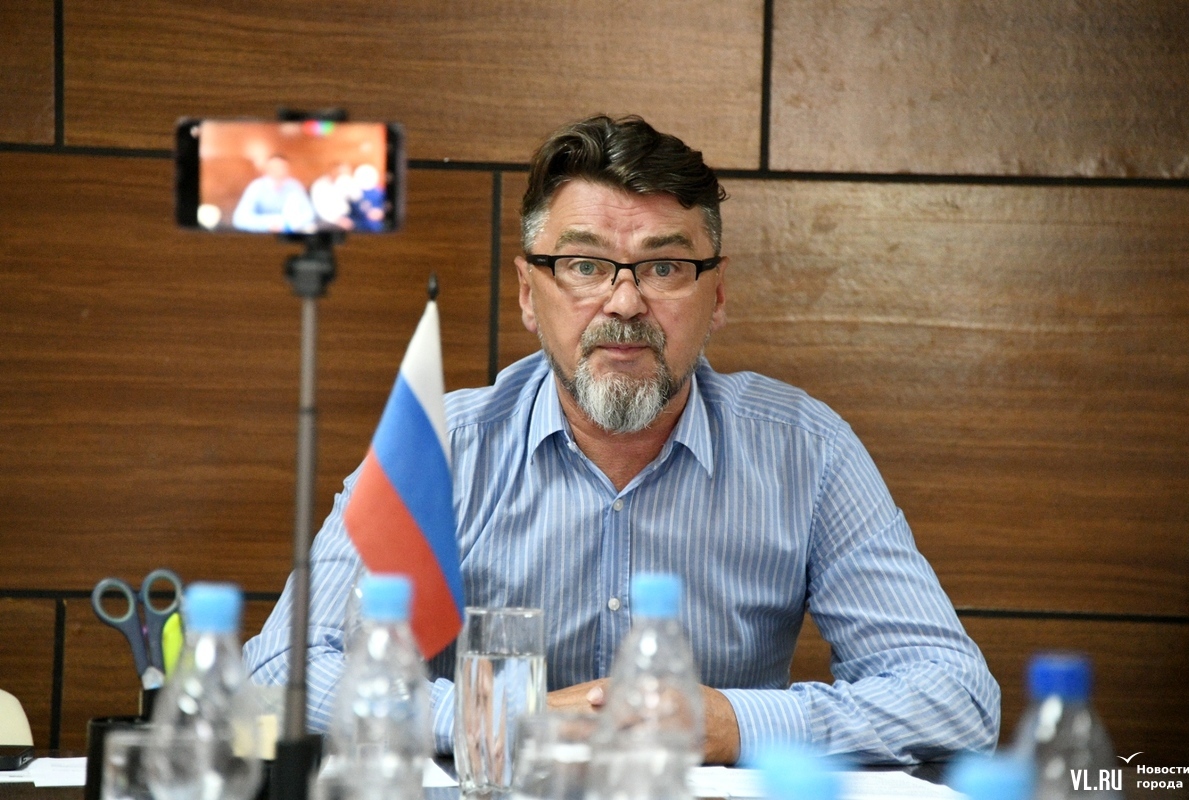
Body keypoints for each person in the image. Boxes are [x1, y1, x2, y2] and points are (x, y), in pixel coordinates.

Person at [243, 115, 1000, 765]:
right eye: (584, 265)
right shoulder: (443, 449)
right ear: (529, 294)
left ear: (717, 294)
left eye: (664, 266)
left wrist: (733, 723)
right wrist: (504, 714)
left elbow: (957, 697)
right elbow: (276, 675)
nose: (626, 302)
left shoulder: (806, 452)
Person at [231, 153, 316, 233]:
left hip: (289, 234)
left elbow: (309, 214)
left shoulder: (294, 186)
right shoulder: (256, 187)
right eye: (274, 167)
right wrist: (269, 224)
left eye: (282, 167)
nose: (278, 170)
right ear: (266, 169)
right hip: (262, 236)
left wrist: (287, 224)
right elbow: (239, 219)